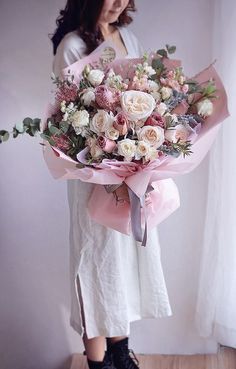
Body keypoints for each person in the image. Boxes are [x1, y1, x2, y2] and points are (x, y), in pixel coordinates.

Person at [51, 1, 173, 368]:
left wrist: (143, 151)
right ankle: (98, 363)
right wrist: (106, 159)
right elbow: (66, 118)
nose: (120, 1)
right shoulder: (72, 45)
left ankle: (121, 354)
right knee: (94, 266)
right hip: (93, 176)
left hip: (129, 172)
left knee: (122, 267)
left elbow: (146, 97)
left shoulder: (128, 37)